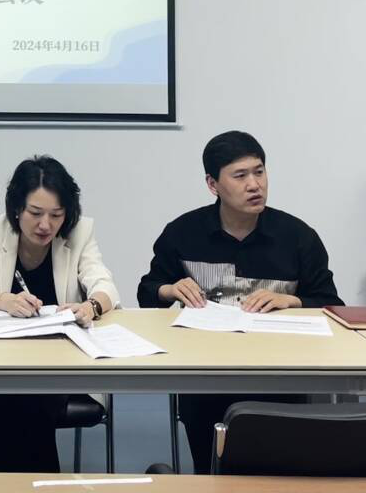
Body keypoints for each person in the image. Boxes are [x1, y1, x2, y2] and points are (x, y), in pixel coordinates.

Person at [136, 130, 342, 472]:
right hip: (205, 377)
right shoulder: (183, 232)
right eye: (240, 175)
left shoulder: (297, 237)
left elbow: (332, 303)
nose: (254, 185)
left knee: (279, 473)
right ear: (212, 184)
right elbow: (147, 291)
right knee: (214, 469)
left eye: (259, 172)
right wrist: (169, 290)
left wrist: (291, 301)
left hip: (280, 377)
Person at [0, 155, 120, 472]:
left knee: (27, 392)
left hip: (64, 365)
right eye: (35, 213)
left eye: (56, 215)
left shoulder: (80, 232)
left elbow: (104, 284)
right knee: (14, 390)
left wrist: (91, 306)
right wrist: (2, 300)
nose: (46, 225)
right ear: (17, 208)